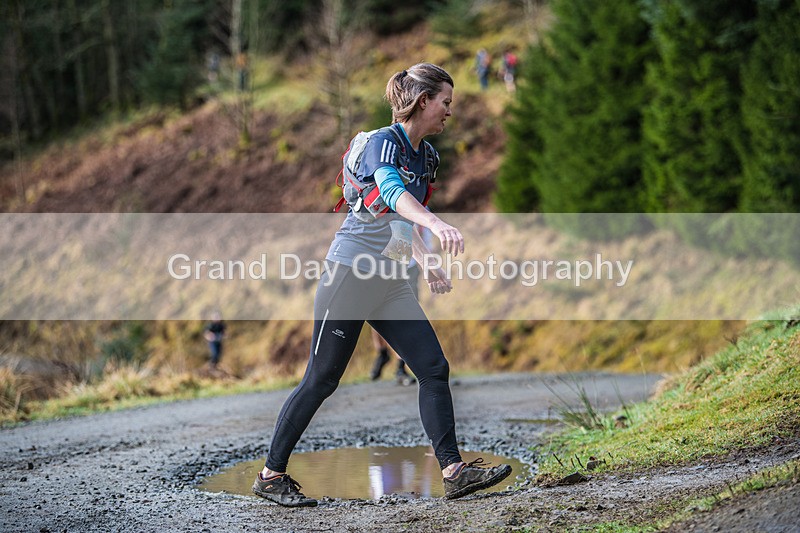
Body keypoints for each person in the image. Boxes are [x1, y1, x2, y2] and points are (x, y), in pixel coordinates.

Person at [252, 63, 511, 507]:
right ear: (423, 101)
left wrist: (426, 260)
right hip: (349, 275)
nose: (450, 111)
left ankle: (454, 472)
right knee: (322, 379)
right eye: (446, 102)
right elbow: (390, 192)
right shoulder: (380, 144)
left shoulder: (427, 156)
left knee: (432, 367)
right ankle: (270, 476)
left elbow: (397, 224)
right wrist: (435, 223)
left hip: (389, 281)